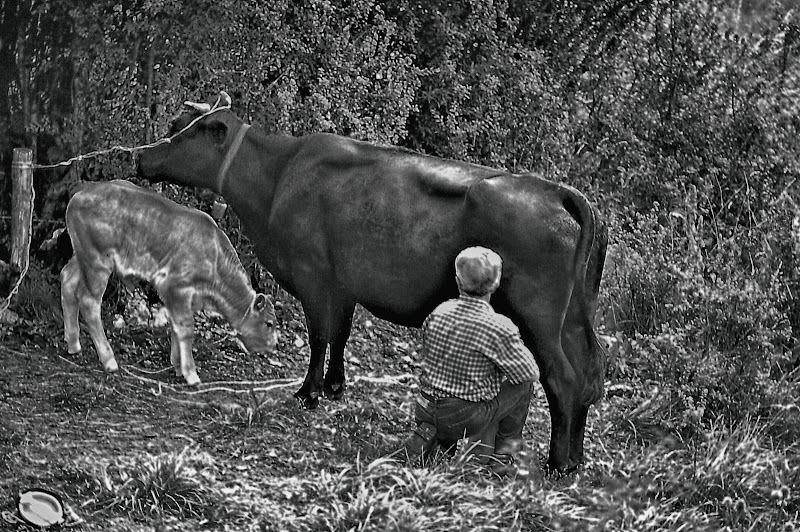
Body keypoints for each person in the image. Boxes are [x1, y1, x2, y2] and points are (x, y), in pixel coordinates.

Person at [401, 246, 541, 475]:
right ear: (496, 283)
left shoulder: (440, 312)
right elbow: (530, 372)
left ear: (457, 280)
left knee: (458, 388)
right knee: (522, 386)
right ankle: (503, 454)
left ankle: (436, 441)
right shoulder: (498, 327)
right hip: (464, 417)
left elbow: (427, 345)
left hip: (424, 407)